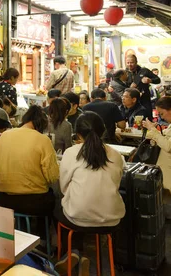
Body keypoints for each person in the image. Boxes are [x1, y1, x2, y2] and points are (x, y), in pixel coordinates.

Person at [55, 112, 126, 275]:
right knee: (82, 209)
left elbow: (64, 187)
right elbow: (116, 184)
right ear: (103, 131)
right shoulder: (116, 155)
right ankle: (87, 257)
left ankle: (73, 252)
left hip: (77, 217)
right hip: (111, 219)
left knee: (62, 208)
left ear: (78, 133)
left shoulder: (72, 152)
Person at [0, 105, 59, 216]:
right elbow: (52, 176)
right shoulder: (43, 139)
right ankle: (41, 233)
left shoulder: (4, 135)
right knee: (54, 199)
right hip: (35, 202)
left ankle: (22, 229)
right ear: (41, 124)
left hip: (5, 200)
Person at [125, 54, 161, 119]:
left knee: (148, 119)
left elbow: (158, 80)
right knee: (133, 121)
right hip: (131, 101)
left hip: (144, 100)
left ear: (136, 62)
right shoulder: (125, 73)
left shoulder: (144, 71)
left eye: (132, 62)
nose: (129, 65)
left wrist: (150, 80)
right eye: (128, 63)